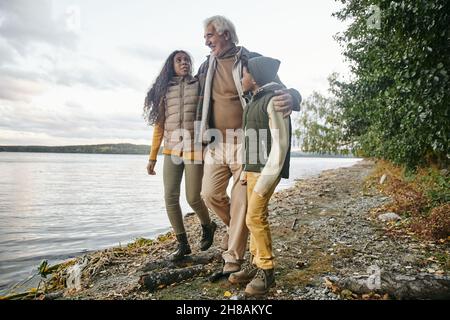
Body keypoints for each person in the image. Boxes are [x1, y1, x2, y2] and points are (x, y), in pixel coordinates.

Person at [195, 15, 301, 274]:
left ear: (225, 35)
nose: (206, 41)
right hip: (216, 142)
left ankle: (233, 259)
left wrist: (294, 98)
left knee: (241, 200)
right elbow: (189, 95)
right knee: (210, 194)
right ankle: (239, 231)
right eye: (205, 37)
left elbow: (281, 87)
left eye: (210, 35)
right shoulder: (204, 67)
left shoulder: (251, 60)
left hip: (247, 142)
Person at [144, 50, 216, 261]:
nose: (183, 63)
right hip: (171, 150)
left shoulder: (199, 85)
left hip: (195, 148)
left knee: (193, 197)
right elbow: (159, 125)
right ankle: (182, 243)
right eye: (179, 60)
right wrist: (152, 157)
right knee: (170, 197)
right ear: (171, 64)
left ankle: (208, 225)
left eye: (186, 60)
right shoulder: (164, 90)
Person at [228, 56, 291, 296]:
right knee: (252, 217)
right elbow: (250, 141)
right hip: (253, 169)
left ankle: (267, 271)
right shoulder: (253, 100)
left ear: (254, 78)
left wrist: (266, 179)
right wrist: (245, 169)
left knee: (254, 217)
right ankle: (255, 263)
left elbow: (280, 144)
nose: (240, 79)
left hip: (267, 170)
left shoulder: (275, 101)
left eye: (242, 74)